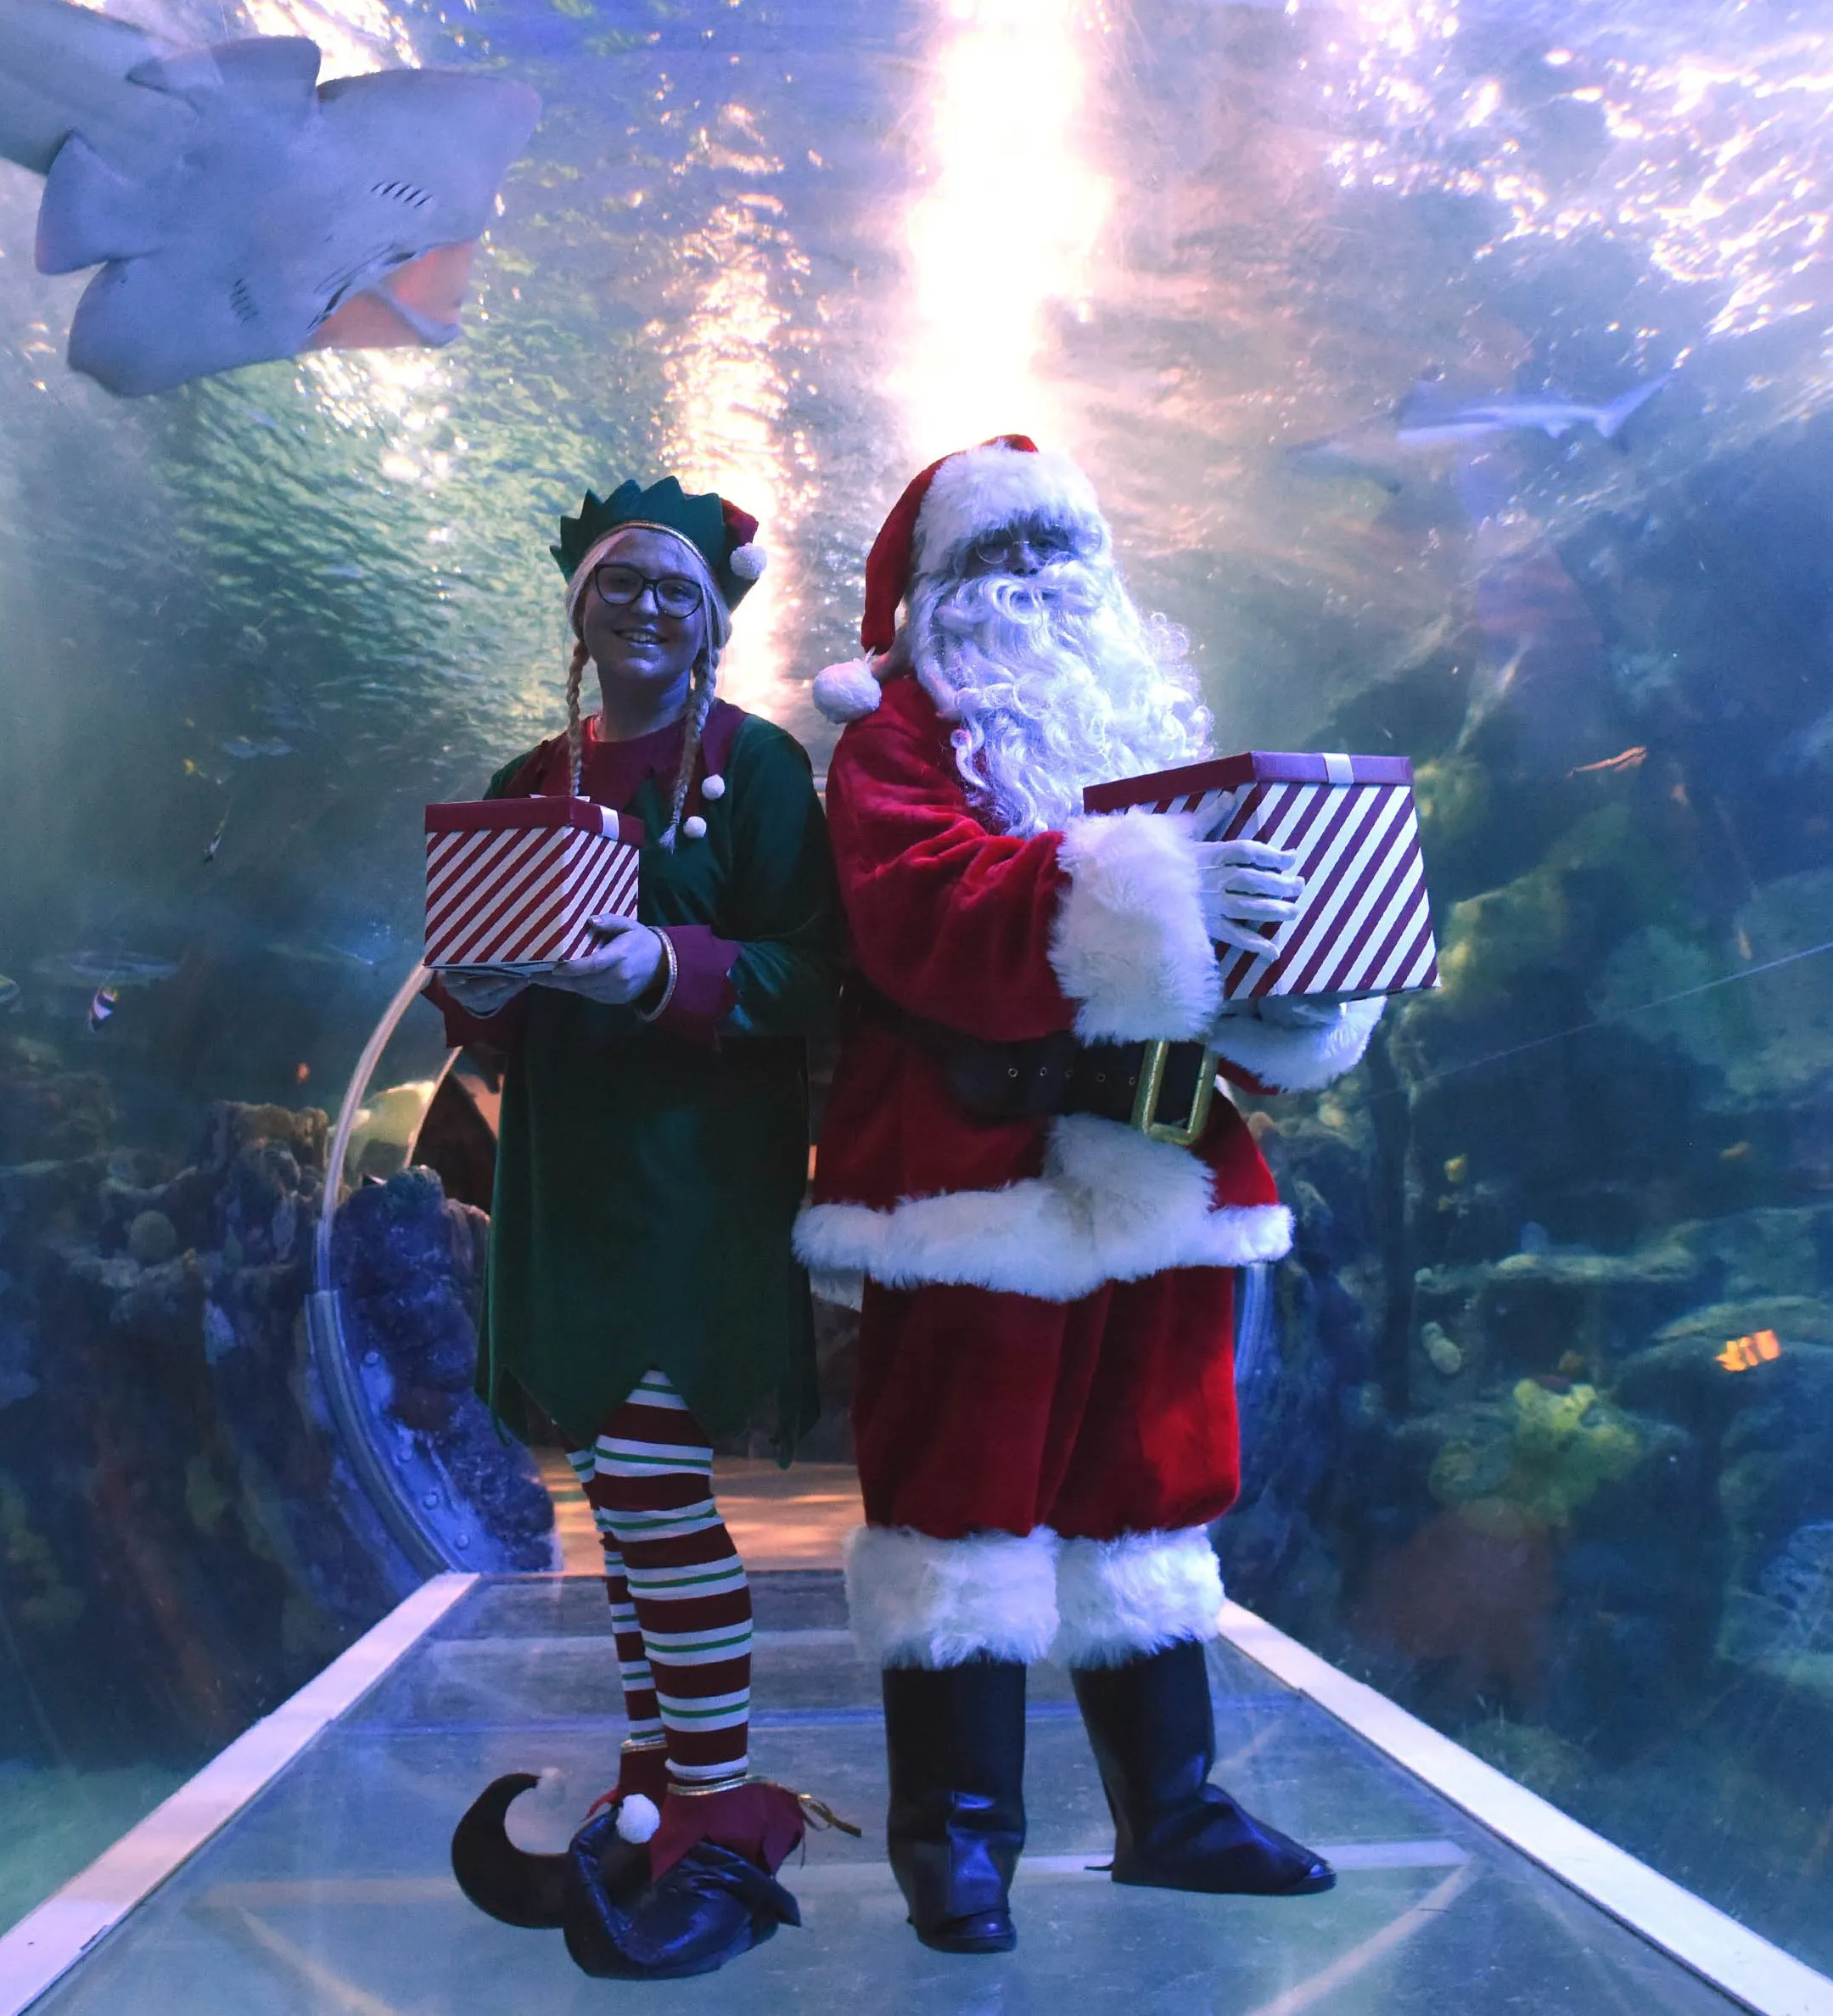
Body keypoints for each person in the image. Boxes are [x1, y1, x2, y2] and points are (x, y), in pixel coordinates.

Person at [798, 435, 1385, 1955]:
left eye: (1062, 552)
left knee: (1150, 1492)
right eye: (1000, 559)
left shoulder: (1153, 742)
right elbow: (923, 917)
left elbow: (1207, 965)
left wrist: (1293, 979)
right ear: (928, 597)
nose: (1037, 587)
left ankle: (1172, 1806)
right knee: (956, 1508)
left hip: (1161, 1164)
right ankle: (957, 1836)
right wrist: (1159, 892)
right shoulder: (890, 747)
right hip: (970, 1184)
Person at [434, 477, 844, 1979]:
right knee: (621, 1496)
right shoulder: (523, 771)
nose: (649, 609)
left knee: (658, 1487)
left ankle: (730, 1804)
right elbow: (479, 1009)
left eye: (678, 589)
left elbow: (817, 977)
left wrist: (657, 969)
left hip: (695, 1178)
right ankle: (659, 1778)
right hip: (564, 1174)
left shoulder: (761, 768)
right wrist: (474, 973)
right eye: (623, 584)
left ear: (715, 613)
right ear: (579, 607)